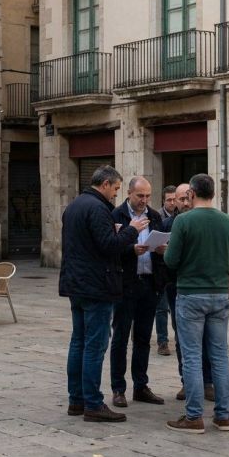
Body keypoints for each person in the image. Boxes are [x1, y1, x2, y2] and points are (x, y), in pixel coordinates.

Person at [59, 165, 144, 424]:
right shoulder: (97, 208)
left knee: (79, 341)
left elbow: (89, 242)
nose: (116, 194)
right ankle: (93, 403)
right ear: (105, 184)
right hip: (96, 285)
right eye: (115, 189)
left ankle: (76, 400)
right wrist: (131, 230)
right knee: (94, 345)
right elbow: (109, 245)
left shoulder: (74, 205)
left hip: (77, 283)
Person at [164, 174, 229, 434]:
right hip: (219, 294)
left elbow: (171, 260)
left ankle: (194, 416)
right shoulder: (228, 221)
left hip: (191, 294)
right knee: (219, 356)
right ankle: (223, 415)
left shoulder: (183, 221)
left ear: (192, 194)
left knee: (192, 356)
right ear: (213, 194)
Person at [109, 177, 166, 407]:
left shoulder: (155, 216)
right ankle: (118, 388)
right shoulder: (117, 215)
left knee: (143, 338)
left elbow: (162, 243)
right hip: (125, 284)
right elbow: (109, 248)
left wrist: (162, 250)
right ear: (129, 193)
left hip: (149, 283)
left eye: (148, 196)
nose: (144, 200)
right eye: (140, 196)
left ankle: (141, 386)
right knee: (120, 337)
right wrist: (131, 249)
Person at [164, 183, 213, 402]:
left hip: (201, 286)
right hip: (176, 286)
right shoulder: (168, 224)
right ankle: (187, 382)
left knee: (207, 338)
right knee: (181, 338)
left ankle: (207, 382)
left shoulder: (205, 221)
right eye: (179, 199)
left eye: (186, 198)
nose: (184, 203)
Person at [154, 185, 177, 356]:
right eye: (169, 200)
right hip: (161, 270)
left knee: (176, 308)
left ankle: (179, 338)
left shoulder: (180, 218)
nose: (172, 203)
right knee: (161, 308)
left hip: (174, 272)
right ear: (163, 201)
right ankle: (162, 342)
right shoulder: (157, 218)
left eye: (175, 199)